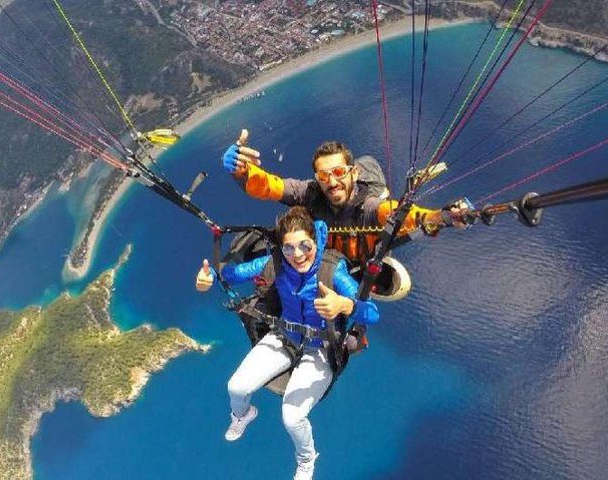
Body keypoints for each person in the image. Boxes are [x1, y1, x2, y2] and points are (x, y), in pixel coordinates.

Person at [196, 206, 379, 480]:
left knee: (292, 417)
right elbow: (234, 273)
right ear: (282, 249)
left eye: (304, 245)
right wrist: (209, 277)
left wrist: (345, 304)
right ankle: (243, 415)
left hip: (321, 348)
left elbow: (372, 313)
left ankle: (306, 460)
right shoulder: (276, 263)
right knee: (236, 387)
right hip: (285, 337)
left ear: (314, 241)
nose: (298, 255)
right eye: (289, 248)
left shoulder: (332, 270)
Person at [222, 130, 474, 264]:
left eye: (339, 173)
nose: (331, 182)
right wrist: (242, 170)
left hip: (356, 261)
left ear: (354, 173)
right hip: (320, 254)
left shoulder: (370, 208)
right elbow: (270, 186)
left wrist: (442, 216)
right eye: (323, 176)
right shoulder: (310, 192)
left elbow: (403, 215)